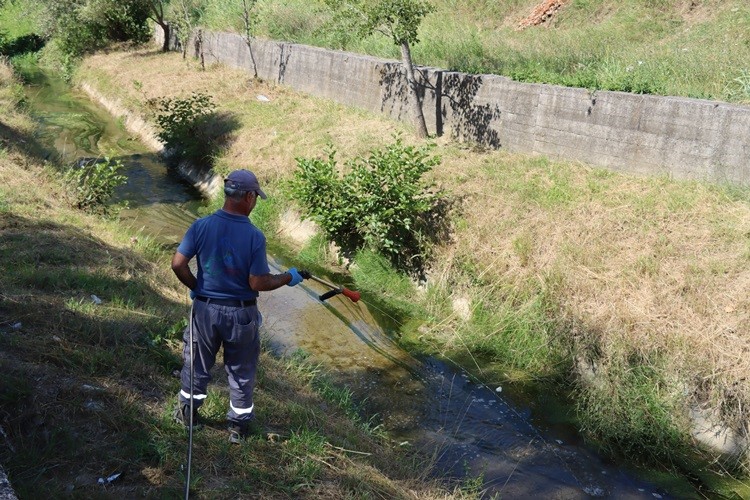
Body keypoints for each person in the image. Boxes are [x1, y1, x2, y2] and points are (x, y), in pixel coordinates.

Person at [170, 169, 304, 443]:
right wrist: (288, 277)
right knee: (241, 371)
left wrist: (197, 287)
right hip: (241, 315)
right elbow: (258, 282)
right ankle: (238, 429)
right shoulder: (254, 236)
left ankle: (187, 414)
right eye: (256, 197)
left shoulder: (201, 226)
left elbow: (177, 264)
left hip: (205, 311)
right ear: (249, 196)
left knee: (196, 363)